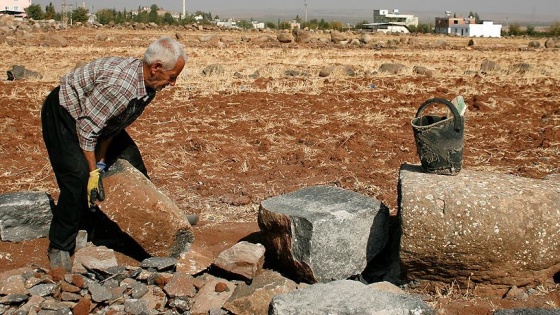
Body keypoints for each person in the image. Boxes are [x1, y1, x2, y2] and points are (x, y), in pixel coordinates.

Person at [41, 36, 187, 271]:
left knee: (132, 165)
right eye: (172, 77)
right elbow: (88, 131)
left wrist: (101, 162)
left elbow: (112, 125)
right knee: (76, 178)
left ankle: (161, 225)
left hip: (97, 120)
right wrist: (92, 173)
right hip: (65, 113)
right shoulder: (121, 88)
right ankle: (60, 244)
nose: (173, 84)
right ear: (156, 68)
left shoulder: (147, 86)